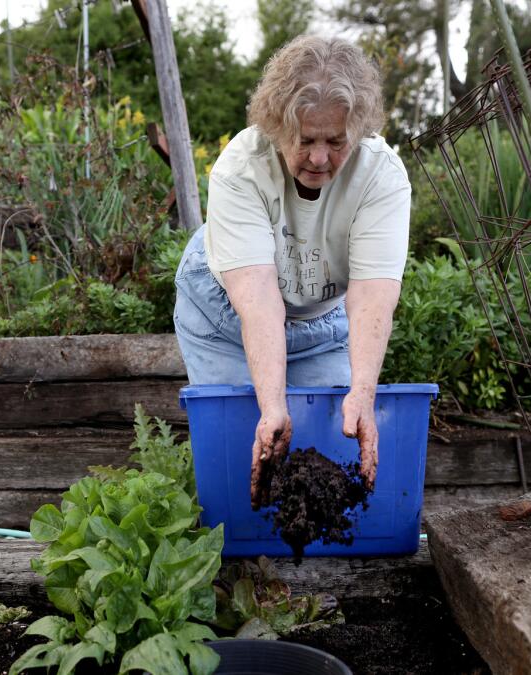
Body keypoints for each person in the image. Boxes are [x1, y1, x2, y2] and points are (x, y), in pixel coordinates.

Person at [172, 35, 411, 508]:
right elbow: (258, 299)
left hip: (321, 318)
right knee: (253, 434)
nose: (320, 158)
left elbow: (371, 293)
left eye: (336, 142)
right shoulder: (240, 169)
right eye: (306, 140)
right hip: (225, 315)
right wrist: (272, 402)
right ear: (277, 127)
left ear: (357, 131)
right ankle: (240, 556)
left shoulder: (381, 176)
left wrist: (364, 393)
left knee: (326, 447)